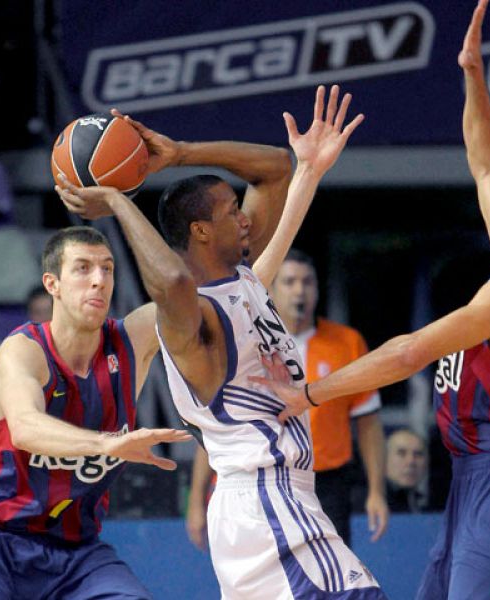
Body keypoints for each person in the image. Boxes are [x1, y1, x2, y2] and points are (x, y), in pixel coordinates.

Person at [253, 2, 490, 599]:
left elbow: (410, 353)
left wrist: (309, 394)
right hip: (477, 476)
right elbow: (485, 165)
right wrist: (473, 76)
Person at [58, 85, 387, 598]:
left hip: (281, 501)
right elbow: (170, 283)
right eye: (231, 210)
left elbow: (275, 167)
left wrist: (181, 154)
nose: (244, 217)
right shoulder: (193, 317)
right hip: (265, 501)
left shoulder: (246, 283)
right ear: (201, 232)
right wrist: (119, 200)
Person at [0, 226, 193, 599]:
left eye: (107, 269)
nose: (99, 281)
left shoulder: (131, 342)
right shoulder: (23, 350)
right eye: (83, 268)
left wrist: (297, 185)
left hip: (76, 551)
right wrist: (106, 444)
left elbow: (213, 294)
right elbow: (24, 427)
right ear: (52, 284)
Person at [186, 248, 388, 549]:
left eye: (308, 282)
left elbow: (369, 424)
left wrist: (377, 491)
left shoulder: (347, 342)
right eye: (290, 282)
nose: (300, 291)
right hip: (262, 478)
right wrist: (195, 499)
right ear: (269, 290)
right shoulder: (244, 341)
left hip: (327, 482)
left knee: (332, 581)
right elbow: (219, 423)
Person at [385, 428, 428, 513]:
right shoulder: (366, 505)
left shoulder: (428, 506)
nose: (411, 461)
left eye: (418, 454)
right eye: (401, 453)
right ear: (383, 460)